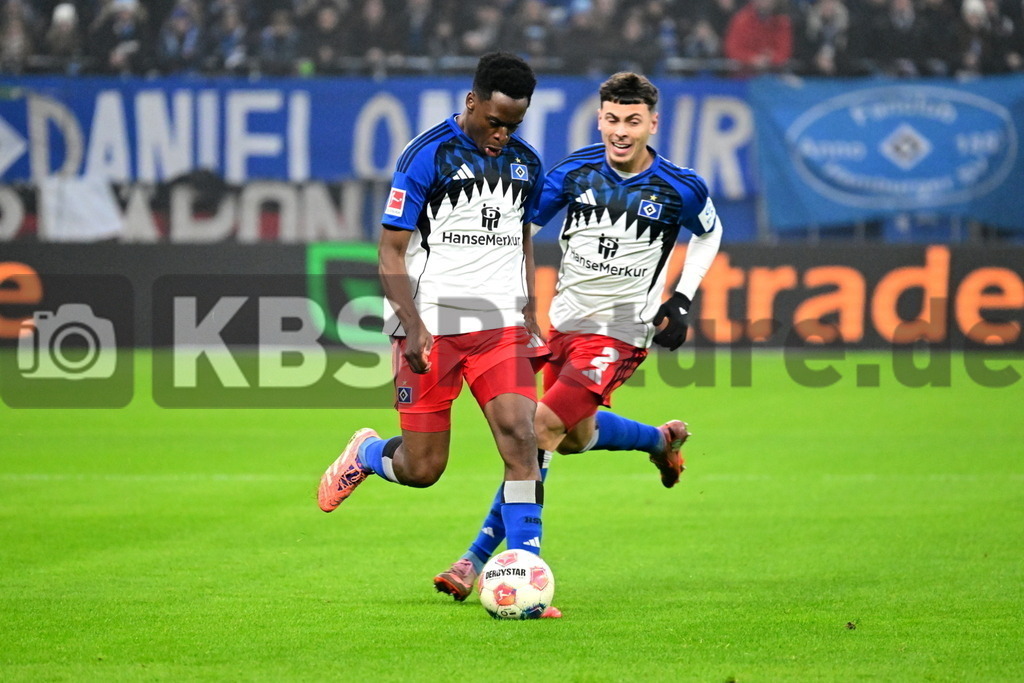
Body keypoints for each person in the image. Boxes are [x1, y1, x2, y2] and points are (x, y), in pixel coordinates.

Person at [433, 72, 723, 608]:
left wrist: (681, 300)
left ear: (652, 124)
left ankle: (478, 560)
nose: (620, 131)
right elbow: (521, 226)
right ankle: (661, 442)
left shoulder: (680, 185)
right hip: (562, 325)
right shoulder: (573, 172)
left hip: (619, 331)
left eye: (632, 121)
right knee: (572, 435)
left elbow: (710, 232)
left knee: (538, 429)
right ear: (600, 118)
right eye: (612, 118)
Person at [317, 53, 554, 609]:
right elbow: (389, 251)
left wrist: (528, 307)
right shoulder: (427, 155)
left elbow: (522, 237)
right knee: (423, 470)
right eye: (494, 121)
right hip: (430, 329)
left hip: (498, 328)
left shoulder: (526, 163)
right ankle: (370, 454)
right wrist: (415, 324)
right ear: (472, 102)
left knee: (522, 439)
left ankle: (527, 574)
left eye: (512, 125)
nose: (501, 134)